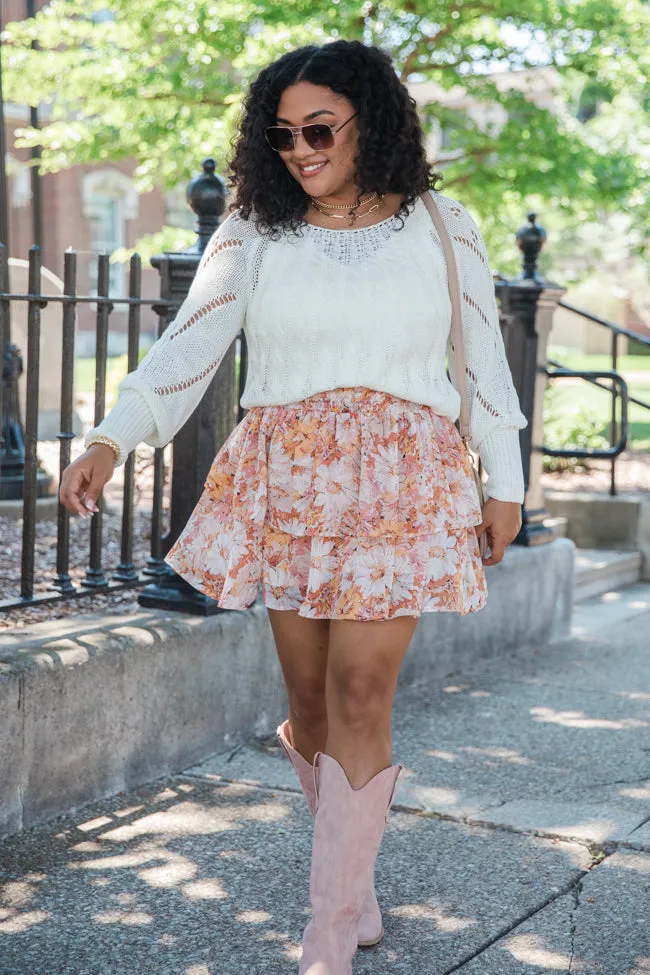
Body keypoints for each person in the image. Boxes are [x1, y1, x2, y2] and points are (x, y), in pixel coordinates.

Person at [59, 39, 527, 975]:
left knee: (362, 688)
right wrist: (111, 435)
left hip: (404, 478)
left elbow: (483, 356)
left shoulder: (444, 225)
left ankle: (325, 934)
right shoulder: (254, 230)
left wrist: (505, 481)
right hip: (289, 476)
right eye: (282, 135)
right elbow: (188, 347)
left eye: (320, 129)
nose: (301, 150)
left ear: (373, 122)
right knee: (310, 702)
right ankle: (350, 886)